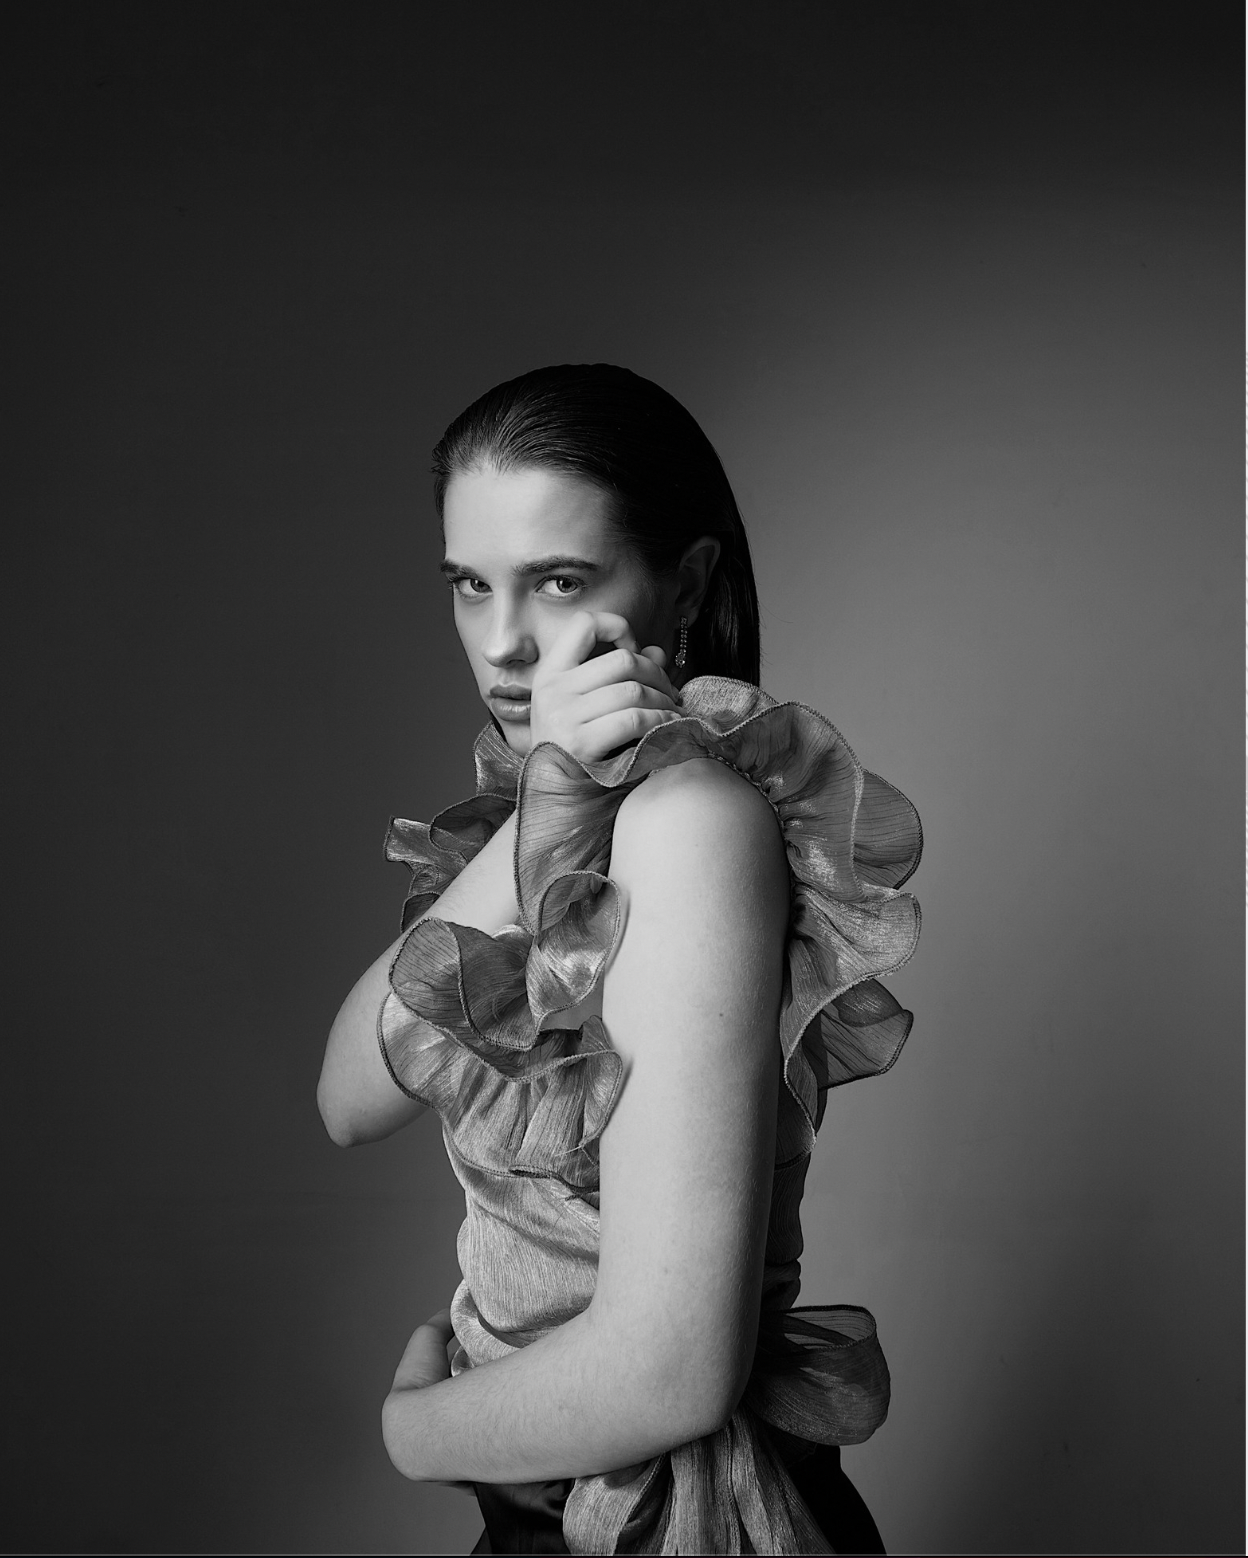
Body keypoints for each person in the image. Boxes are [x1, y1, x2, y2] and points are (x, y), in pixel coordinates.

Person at [317, 364, 922, 1554]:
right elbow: (350, 1097)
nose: (502, 641)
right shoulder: (557, 816)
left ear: (684, 583)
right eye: (469, 584)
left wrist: (411, 1431)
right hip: (552, 1502)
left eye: (558, 580)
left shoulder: (687, 825)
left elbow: (671, 1374)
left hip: (658, 1521)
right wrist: (538, 814)